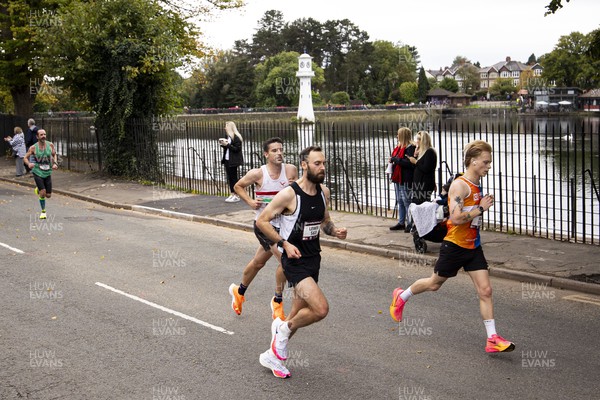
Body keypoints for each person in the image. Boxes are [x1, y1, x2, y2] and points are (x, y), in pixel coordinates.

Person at [390, 140, 515, 354]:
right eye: (486, 162)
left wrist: (478, 207)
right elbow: (456, 218)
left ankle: (492, 338)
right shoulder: (460, 185)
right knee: (434, 284)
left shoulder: (477, 184)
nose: (489, 165)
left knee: (485, 290)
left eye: (490, 162)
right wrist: (480, 209)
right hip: (455, 245)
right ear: (473, 161)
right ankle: (401, 296)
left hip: (473, 246)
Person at [256, 146, 347, 378]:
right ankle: (281, 331)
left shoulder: (324, 192)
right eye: (317, 163)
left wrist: (334, 231)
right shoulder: (289, 194)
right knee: (320, 309)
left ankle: (273, 356)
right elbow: (263, 221)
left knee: (296, 315)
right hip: (293, 260)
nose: (323, 167)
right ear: (304, 165)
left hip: (313, 258)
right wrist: (284, 243)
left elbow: (325, 220)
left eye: (324, 163)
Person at [228, 137, 298, 320]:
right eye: (274, 150)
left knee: (259, 262)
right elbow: (238, 186)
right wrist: (250, 201)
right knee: (285, 260)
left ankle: (239, 291)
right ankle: (277, 301)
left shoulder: (290, 170)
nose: (279, 153)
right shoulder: (258, 174)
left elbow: (297, 194)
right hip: (263, 225)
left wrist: (294, 188)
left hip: (284, 225)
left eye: (281, 149)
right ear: (266, 154)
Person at [23, 129, 58, 220]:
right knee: (43, 193)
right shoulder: (33, 148)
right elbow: (25, 158)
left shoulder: (50, 145)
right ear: (37, 137)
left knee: (48, 195)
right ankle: (43, 212)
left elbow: (54, 154)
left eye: (45, 134)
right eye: (41, 135)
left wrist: (55, 163)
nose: (43, 136)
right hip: (37, 171)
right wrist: (29, 164)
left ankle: (37, 189)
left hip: (47, 171)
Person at [388, 127, 416, 232]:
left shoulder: (410, 148)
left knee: (407, 200)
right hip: (398, 177)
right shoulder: (399, 147)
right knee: (400, 200)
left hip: (406, 178)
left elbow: (409, 163)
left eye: (398, 134)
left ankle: (410, 223)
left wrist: (396, 160)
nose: (397, 136)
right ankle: (401, 222)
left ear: (403, 135)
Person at [407, 131, 437, 205]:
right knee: (416, 204)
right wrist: (415, 156)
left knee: (421, 205)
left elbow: (427, 168)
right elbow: (416, 167)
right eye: (417, 139)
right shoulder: (422, 152)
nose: (417, 141)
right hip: (418, 184)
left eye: (419, 139)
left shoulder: (430, 152)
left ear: (424, 140)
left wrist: (416, 162)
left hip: (424, 184)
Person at [220, 121, 244, 203]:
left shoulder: (236, 137)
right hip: (227, 159)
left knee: (234, 177)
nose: (225, 128)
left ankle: (237, 195)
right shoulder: (228, 137)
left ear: (230, 127)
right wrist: (223, 144)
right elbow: (228, 148)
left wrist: (227, 145)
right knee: (229, 177)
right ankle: (232, 193)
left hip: (234, 160)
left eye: (226, 126)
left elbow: (237, 149)